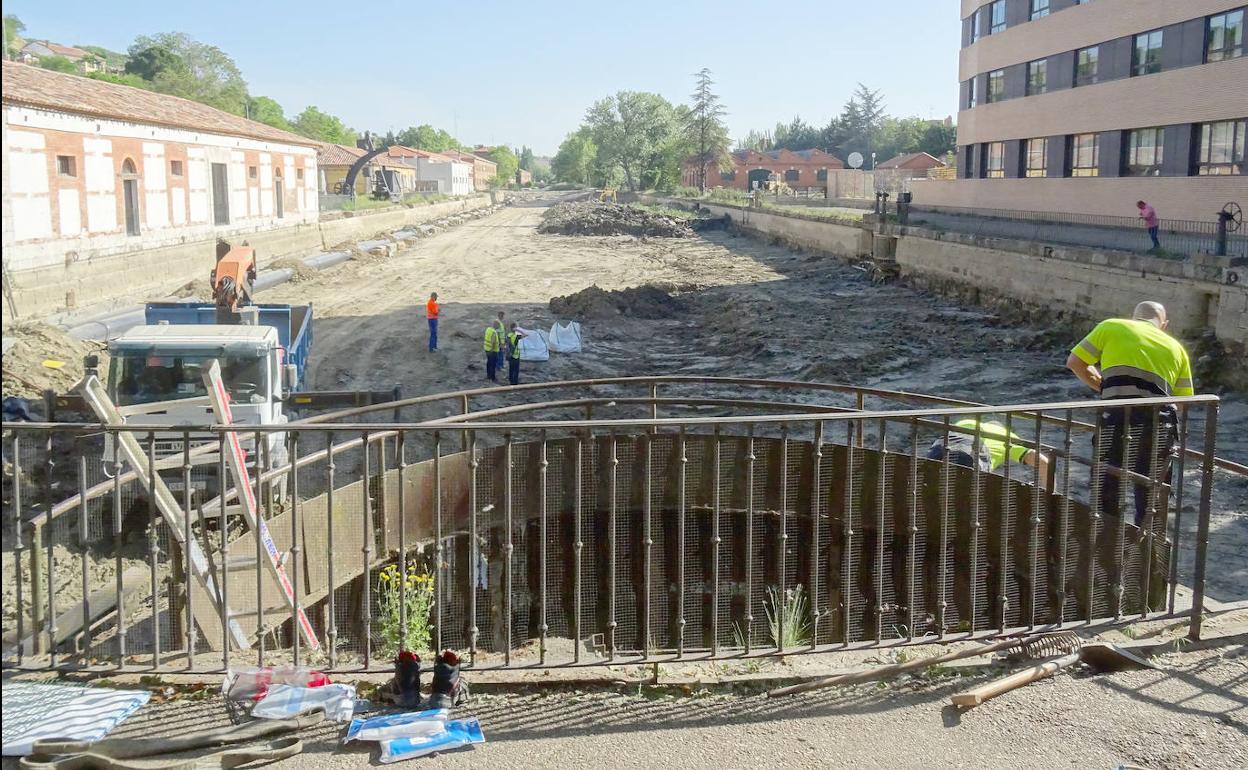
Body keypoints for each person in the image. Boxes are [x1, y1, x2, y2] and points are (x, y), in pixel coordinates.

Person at [1066, 301, 1193, 528]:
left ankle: (1106, 551)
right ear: (1164, 324)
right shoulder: (1177, 348)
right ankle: (1147, 555)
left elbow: (1076, 362)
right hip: (1158, 425)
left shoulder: (1111, 326)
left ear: (1134, 317)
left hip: (1116, 418)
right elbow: (1183, 403)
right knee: (1152, 494)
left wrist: (1105, 387)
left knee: (1107, 486)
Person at [927, 418, 1052, 488]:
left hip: (941, 448)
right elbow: (1043, 462)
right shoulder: (1009, 438)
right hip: (971, 455)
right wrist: (1048, 493)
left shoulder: (966, 422)